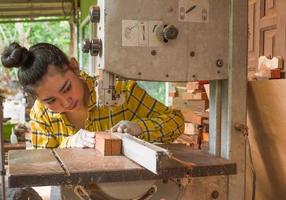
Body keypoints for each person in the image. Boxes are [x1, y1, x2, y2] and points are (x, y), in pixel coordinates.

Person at [1, 42, 184, 199]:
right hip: (74, 194)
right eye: (51, 101)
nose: (66, 101)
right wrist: (68, 144)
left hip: (134, 191)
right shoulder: (41, 113)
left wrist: (139, 128)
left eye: (66, 88)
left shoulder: (120, 91)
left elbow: (176, 121)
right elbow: (42, 163)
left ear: (74, 67)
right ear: (40, 100)